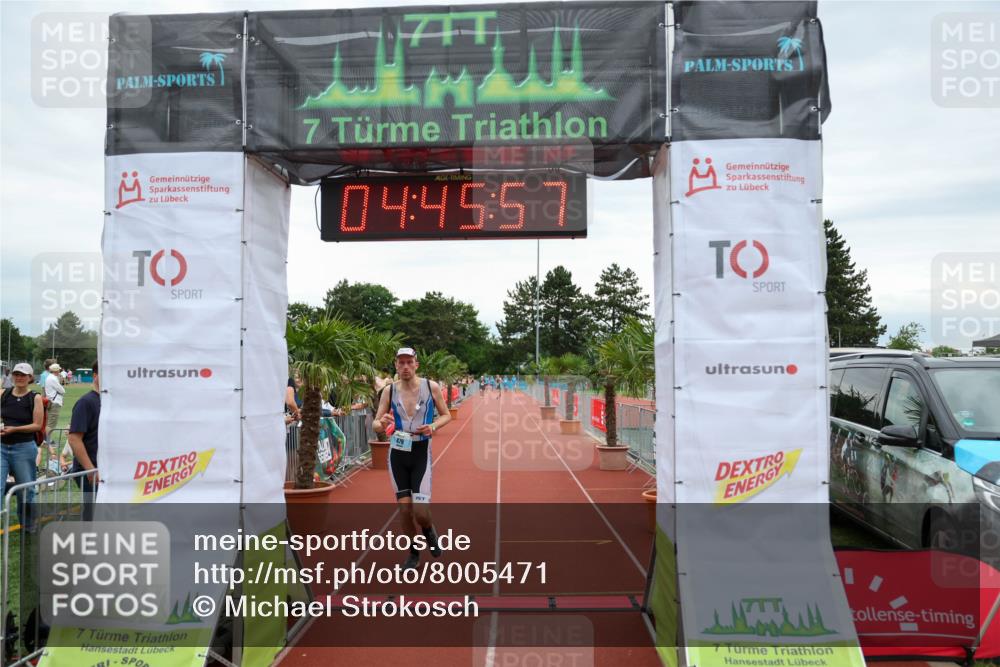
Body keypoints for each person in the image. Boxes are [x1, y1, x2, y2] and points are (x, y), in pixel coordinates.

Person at [373, 348, 452, 569]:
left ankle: (429, 530)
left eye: (409, 362)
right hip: (397, 453)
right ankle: (413, 553)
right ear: (396, 366)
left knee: (421, 513)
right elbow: (376, 423)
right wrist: (381, 422)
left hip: (420, 452)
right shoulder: (389, 391)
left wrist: (433, 425)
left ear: (416, 365)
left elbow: (446, 414)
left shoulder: (430, 387)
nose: (405, 366)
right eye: (401, 363)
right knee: (405, 510)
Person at [1, 363, 44, 530]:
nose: (19, 377)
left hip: (24, 448)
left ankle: (28, 525)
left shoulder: (35, 397)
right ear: (12, 375)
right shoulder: (4, 394)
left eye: (23, 375)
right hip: (2, 447)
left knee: (26, 490)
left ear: (30, 377)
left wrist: (15, 429)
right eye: (16, 374)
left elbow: (37, 425)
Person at [67, 361, 100, 520]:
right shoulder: (86, 402)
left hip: (106, 469)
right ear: (95, 376)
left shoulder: (112, 402)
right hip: (91, 470)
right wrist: (90, 470)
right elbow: (74, 439)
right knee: (92, 513)